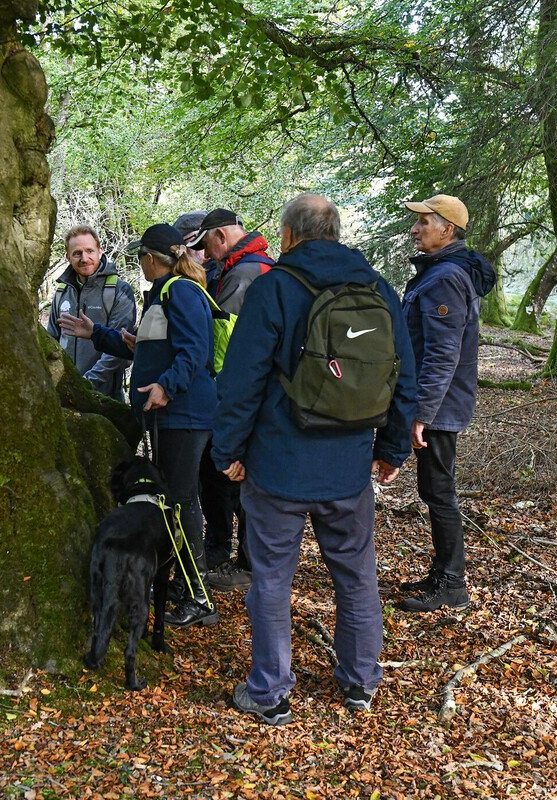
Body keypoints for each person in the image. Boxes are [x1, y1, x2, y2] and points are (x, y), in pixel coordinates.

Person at [211, 194, 416, 724]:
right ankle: (360, 682)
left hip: (279, 464)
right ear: (337, 232)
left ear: (288, 236)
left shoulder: (274, 288)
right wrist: (392, 448)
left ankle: (271, 691)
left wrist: (228, 450)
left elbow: (242, 380)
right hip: (349, 465)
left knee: (273, 578)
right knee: (355, 575)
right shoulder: (379, 289)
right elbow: (402, 375)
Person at [60, 223, 219, 628]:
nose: (139, 264)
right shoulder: (164, 293)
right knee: (175, 499)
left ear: (151, 258)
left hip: (182, 415)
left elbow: (195, 351)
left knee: (181, 500)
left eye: (140, 257)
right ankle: (183, 584)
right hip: (167, 414)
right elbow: (142, 348)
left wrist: (166, 387)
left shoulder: (180, 291)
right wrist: (96, 333)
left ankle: (198, 595)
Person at [398, 194, 496, 612]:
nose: (416, 229)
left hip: (439, 403)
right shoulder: (438, 272)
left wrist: (423, 413)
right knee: (434, 488)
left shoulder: (444, 278)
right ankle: (443, 572)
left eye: (424, 221)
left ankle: (452, 583)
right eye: (417, 221)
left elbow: (443, 353)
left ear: (447, 230)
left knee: (438, 490)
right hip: (438, 401)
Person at [187, 209, 276, 592]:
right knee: (228, 476)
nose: (204, 255)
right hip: (256, 393)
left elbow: (227, 344)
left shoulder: (244, 274)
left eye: (205, 245)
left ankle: (249, 564)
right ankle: (233, 554)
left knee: (240, 477)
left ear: (221, 236)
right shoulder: (247, 267)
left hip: (248, 395)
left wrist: (219, 393)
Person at [45, 226, 137, 400]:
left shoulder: (119, 290)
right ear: (67, 256)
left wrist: (88, 383)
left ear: (100, 251)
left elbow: (119, 345)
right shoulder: (62, 292)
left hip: (105, 395)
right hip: (65, 392)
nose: (84, 258)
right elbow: (52, 340)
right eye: (77, 253)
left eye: (89, 251)